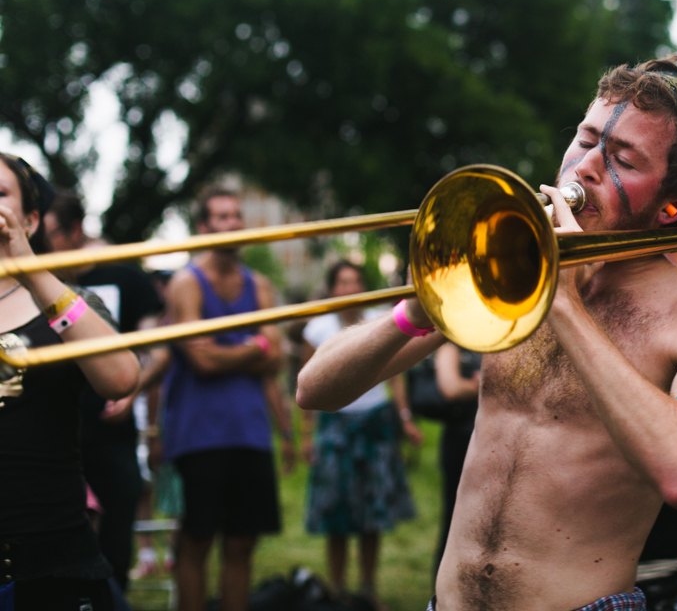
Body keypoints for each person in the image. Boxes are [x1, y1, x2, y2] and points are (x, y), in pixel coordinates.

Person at [298, 55, 677, 611]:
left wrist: (563, 306)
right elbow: (314, 389)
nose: (585, 167)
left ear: (674, 206)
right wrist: (412, 317)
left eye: (622, 160)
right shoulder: (513, 273)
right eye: (586, 139)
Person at [0, 152, 140, 610]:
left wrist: (30, 269)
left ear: (32, 218)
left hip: (53, 552)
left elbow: (120, 378)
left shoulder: (67, 299)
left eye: (0, 194)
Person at [161, 188, 289, 611]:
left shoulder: (260, 285)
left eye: (236, 216)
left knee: (242, 543)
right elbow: (201, 361)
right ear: (203, 227)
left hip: (250, 433)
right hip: (198, 435)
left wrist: (285, 431)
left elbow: (276, 362)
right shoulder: (186, 282)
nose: (232, 224)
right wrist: (255, 348)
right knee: (195, 541)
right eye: (221, 217)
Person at [42, 192, 165, 591]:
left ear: (74, 231)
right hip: (54, 436)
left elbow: (159, 350)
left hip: (109, 434)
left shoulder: (125, 278)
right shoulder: (29, 286)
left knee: (114, 540)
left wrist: (131, 389)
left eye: (50, 234)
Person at [300, 260, 423, 608]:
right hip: (334, 426)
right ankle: (337, 591)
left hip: (375, 422)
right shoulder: (317, 328)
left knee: (374, 512)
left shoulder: (383, 317)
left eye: (355, 281)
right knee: (335, 514)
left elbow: (396, 374)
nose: (350, 289)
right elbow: (307, 383)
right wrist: (306, 436)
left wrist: (404, 417)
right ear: (331, 288)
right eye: (342, 282)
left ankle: (368, 589)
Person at [430, 341, 482, 575]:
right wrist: (482, 383)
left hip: (492, 442)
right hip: (460, 442)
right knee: (455, 519)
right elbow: (451, 388)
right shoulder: (453, 344)